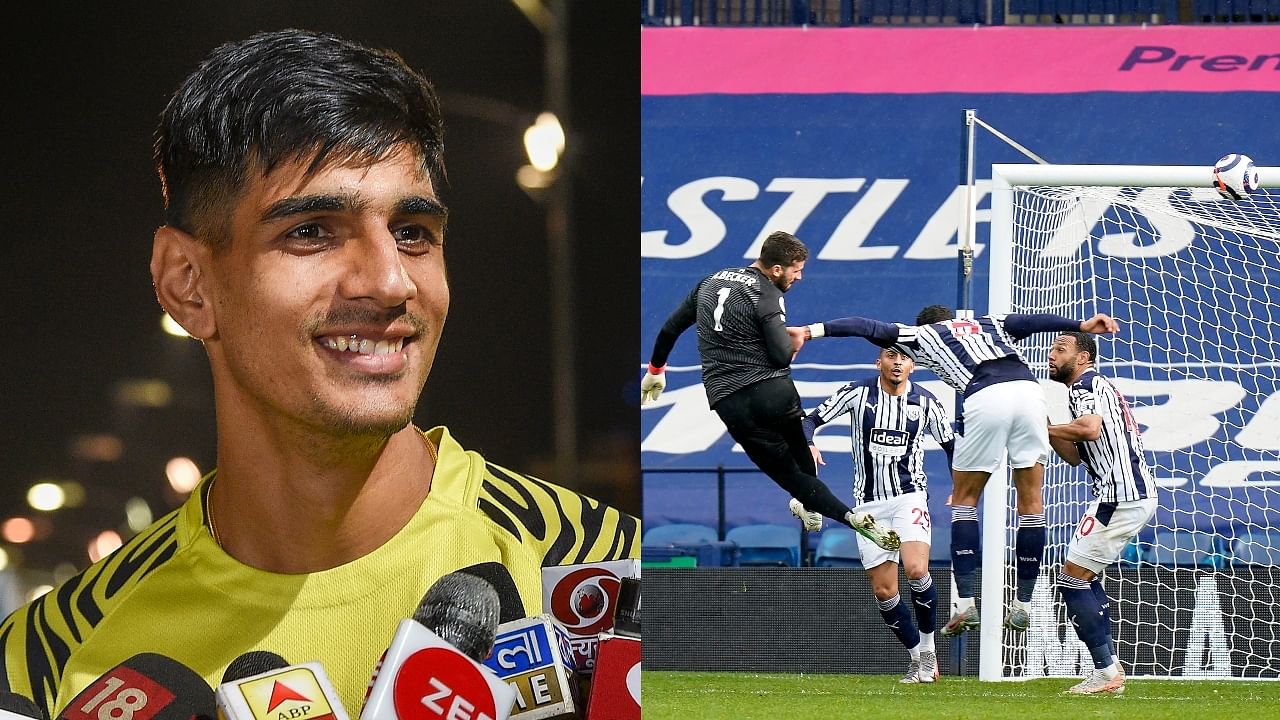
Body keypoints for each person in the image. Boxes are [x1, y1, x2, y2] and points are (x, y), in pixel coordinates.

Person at [0, 29, 638, 717]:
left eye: (413, 232)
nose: (391, 281)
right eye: (311, 232)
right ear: (188, 285)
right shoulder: (46, 661)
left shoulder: (607, 582)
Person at [789, 304, 1118, 636]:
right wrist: (1082, 324)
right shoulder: (988, 322)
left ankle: (964, 605)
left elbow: (866, 325)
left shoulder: (922, 335)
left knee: (965, 501)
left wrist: (810, 331)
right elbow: (1032, 322)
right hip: (1030, 393)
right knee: (1031, 504)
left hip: (986, 395)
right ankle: (1023, 606)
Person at [640, 232, 899, 550]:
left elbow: (670, 327)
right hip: (772, 392)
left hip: (728, 400)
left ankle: (846, 517)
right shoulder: (766, 293)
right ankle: (818, 506)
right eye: (796, 270)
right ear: (776, 269)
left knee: (790, 475)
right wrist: (794, 340)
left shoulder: (709, 282)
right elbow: (779, 355)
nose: (799, 277)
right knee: (800, 455)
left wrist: (656, 370)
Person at [796, 345, 955, 683]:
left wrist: (961, 486)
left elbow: (952, 444)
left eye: (904, 357)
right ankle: (916, 659)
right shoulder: (858, 393)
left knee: (916, 568)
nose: (897, 362)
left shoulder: (926, 401)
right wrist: (809, 442)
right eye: (890, 355)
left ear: (913, 365)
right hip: (868, 505)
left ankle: (928, 650)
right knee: (885, 592)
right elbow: (809, 421)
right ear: (878, 361)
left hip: (908, 497)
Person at [1047, 331, 1156, 695]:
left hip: (1120, 496)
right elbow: (1077, 457)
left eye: (1060, 349)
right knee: (1082, 576)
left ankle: (1107, 672)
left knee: (1072, 578)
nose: (1051, 355)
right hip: (1125, 494)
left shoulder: (1085, 385)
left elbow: (1090, 430)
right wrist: (1047, 431)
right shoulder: (1093, 387)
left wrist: (1040, 426)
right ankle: (1109, 670)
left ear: (1081, 358)